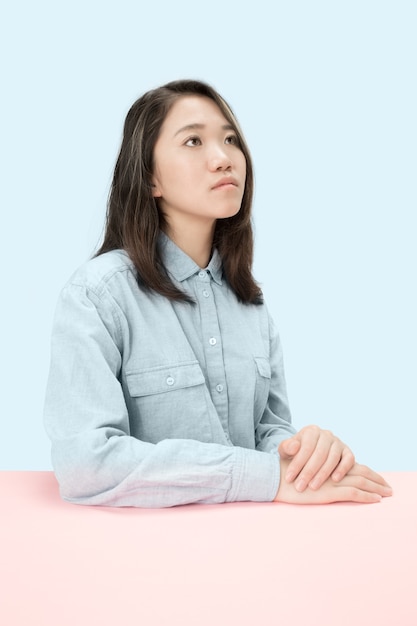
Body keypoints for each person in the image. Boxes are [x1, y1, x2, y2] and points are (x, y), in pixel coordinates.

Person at [43, 79, 392, 508]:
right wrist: (261, 476)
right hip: (137, 559)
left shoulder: (251, 305)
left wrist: (304, 455)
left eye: (231, 140)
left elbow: (266, 430)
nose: (224, 157)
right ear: (150, 177)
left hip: (251, 550)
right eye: (193, 140)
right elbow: (85, 465)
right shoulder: (97, 296)